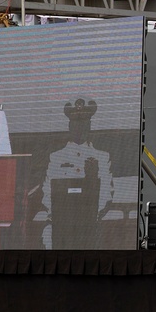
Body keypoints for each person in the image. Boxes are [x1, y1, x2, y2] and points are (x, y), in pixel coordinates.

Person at [41, 98, 114, 250]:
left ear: (89, 126)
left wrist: (91, 215)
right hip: (61, 223)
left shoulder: (102, 157)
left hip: (89, 224)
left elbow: (107, 192)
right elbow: (47, 191)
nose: (79, 128)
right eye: (75, 123)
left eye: (83, 123)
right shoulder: (56, 157)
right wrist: (57, 214)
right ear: (70, 126)